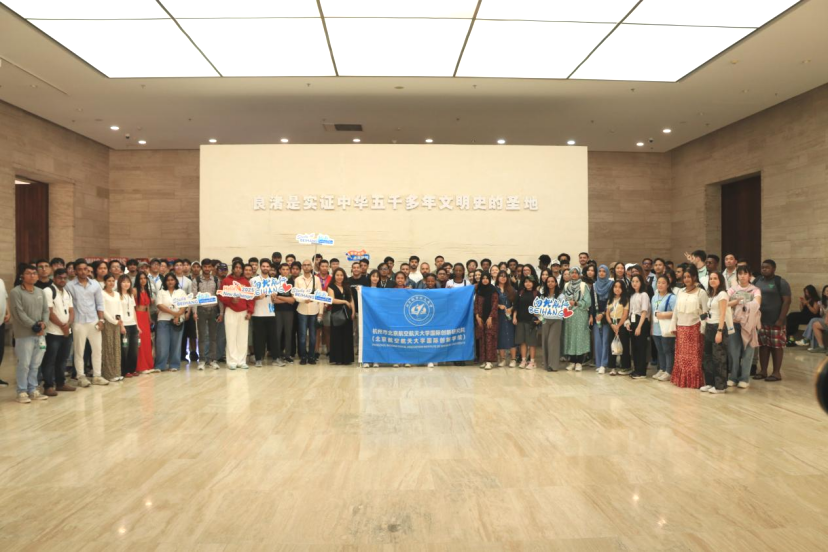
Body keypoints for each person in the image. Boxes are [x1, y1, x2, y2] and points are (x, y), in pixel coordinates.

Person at [9, 265, 51, 403]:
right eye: (29, 273)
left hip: (40, 334)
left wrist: (44, 323)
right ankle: (22, 391)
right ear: (22, 276)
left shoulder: (40, 291)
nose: (32, 275)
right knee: (24, 364)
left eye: (34, 273)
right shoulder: (16, 292)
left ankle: (33, 389)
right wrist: (33, 325)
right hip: (24, 334)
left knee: (35, 364)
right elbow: (18, 313)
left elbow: (46, 310)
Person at [66, 259, 108, 387]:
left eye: (85, 269)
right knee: (79, 351)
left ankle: (97, 376)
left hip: (93, 320)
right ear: (75, 271)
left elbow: (99, 303)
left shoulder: (95, 284)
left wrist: (101, 320)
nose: (83, 272)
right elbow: (68, 305)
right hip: (78, 322)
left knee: (97, 349)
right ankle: (81, 376)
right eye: (80, 269)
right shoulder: (69, 285)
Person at [40, 268, 77, 395]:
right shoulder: (48, 291)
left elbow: (71, 311)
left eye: (64, 278)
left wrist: (69, 324)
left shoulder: (67, 292)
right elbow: (49, 312)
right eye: (60, 278)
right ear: (54, 278)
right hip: (53, 332)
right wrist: (62, 326)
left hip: (66, 331)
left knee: (63, 359)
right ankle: (48, 386)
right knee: (50, 360)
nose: (62, 280)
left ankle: (60, 383)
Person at [670, 265, 707, 389]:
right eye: (684, 277)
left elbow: (705, 312)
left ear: (694, 277)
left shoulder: (701, 292)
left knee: (694, 357)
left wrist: (703, 328)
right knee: (681, 356)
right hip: (681, 328)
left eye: (689, 277)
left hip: (695, 328)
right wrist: (673, 325)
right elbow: (676, 310)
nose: (686, 279)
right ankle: (681, 380)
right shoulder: (680, 292)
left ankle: (694, 382)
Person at [753, 260, 791, 382]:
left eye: (767, 267)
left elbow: (787, 301)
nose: (764, 269)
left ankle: (776, 372)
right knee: (763, 346)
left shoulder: (780, 282)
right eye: (762, 267)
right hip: (761, 320)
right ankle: (763, 371)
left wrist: (781, 319)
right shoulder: (757, 281)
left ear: (774, 269)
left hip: (776, 320)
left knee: (776, 346)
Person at [219, 261, 254, 370]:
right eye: (236, 267)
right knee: (231, 336)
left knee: (243, 337)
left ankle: (241, 361)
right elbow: (220, 295)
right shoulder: (226, 281)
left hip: (243, 312)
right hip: (230, 311)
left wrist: (250, 312)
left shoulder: (245, 282)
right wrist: (230, 300)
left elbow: (250, 298)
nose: (238, 269)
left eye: (240, 267)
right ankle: (232, 361)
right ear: (233, 269)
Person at [701, 272, 732, 394]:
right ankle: (710, 382)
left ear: (720, 280)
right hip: (709, 325)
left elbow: (723, 314)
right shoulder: (711, 294)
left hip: (718, 326)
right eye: (711, 278)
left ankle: (720, 386)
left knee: (718, 357)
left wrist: (719, 331)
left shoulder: (722, 294)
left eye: (715, 278)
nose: (712, 280)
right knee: (708, 356)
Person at [154, 273, 188, 372]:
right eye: (168, 280)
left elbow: (184, 305)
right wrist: (174, 313)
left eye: (172, 280)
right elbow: (159, 305)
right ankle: (160, 365)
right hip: (163, 320)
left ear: (175, 281)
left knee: (176, 344)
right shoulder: (161, 292)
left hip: (177, 321)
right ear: (165, 282)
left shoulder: (181, 292)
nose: (170, 282)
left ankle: (174, 365)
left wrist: (177, 316)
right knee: (162, 344)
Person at [192, 258, 220, 369]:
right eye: (205, 267)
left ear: (212, 268)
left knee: (213, 336)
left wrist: (221, 312)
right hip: (201, 310)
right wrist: (194, 312)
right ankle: (202, 360)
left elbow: (219, 297)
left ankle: (212, 359)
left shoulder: (216, 280)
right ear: (202, 267)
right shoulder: (197, 280)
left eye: (209, 267)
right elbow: (194, 297)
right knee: (202, 336)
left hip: (213, 310)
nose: (207, 269)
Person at [251, 259, 278, 367]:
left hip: (270, 313)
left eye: (267, 266)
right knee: (258, 338)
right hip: (258, 313)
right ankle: (258, 359)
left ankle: (276, 358)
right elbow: (249, 296)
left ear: (270, 268)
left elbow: (274, 298)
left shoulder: (274, 281)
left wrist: (274, 297)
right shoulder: (253, 280)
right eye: (263, 266)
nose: (265, 268)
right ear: (260, 267)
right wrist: (258, 297)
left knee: (273, 337)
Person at [563, 267, 591, 371]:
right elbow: (563, 299)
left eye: (576, 273)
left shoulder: (583, 285)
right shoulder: (566, 285)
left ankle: (579, 362)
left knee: (580, 336)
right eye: (572, 273)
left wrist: (576, 303)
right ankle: (572, 361)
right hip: (569, 314)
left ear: (579, 274)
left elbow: (588, 302)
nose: (574, 274)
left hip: (580, 313)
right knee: (570, 336)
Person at [295, 259, 322, 365]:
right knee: (302, 335)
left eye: (308, 265)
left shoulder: (316, 279)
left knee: (313, 336)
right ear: (302, 267)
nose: (306, 267)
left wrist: (320, 312)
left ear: (311, 267)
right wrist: (303, 300)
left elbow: (320, 296)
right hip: (302, 310)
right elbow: (295, 295)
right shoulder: (298, 279)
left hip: (314, 310)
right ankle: (303, 356)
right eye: (304, 265)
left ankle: (311, 356)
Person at [327, 267, 355, 365]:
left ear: (344, 276)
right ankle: (337, 358)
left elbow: (351, 299)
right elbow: (331, 300)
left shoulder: (347, 286)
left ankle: (347, 359)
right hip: (337, 314)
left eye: (341, 275)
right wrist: (344, 302)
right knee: (337, 336)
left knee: (347, 335)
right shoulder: (331, 286)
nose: (339, 277)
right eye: (337, 275)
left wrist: (353, 311)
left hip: (347, 314)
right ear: (334, 276)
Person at [651, 275, 676, 382]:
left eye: (663, 283)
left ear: (668, 285)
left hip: (666, 328)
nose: (660, 285)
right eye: (659, 282)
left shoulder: (672, 297)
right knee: (660, 350)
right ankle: (662, 369)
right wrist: (652, 327)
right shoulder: (654, 297)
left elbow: (676, 312)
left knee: (667, 350)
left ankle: (669, 371)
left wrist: (663, 315)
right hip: (656, 328)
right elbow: (652, 312)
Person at [101, 273, 124, 382]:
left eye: (113, 281)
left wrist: (119, 320)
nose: (111, 283)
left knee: (116, 347)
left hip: (117, 323)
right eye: (109, 281)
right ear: (105, 282)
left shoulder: (117, 294)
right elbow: (103, 310)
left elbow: (120, 308)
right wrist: (113, 321)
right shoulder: (102, 294)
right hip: (108, 323)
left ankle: (117, 372)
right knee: (108, 347)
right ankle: (109, 374)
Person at [626, 274, 650, 380]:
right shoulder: (632, 295)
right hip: (633, 320)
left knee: (641, 347)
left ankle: (642, 372)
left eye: (637, 281)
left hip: (641, 321)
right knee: (634, 347)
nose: (634, 283)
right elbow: (630, 311)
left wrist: (639, 326)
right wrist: (628, 322)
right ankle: (636, 369)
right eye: (633, 281)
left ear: (641, 282)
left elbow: (644, 311)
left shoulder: (644, 295)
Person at [474, 272, 499, 370]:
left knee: (489, 339)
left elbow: (495, 305)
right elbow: (476, 304)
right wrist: (477, 316)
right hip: (480, 318)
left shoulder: (493, 290)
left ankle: (489, 361)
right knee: (482, 339)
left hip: (491, 319)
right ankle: (484, 360)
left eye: (487, 278)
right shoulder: (479, 290)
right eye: (483, 278)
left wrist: (490, 317)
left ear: (489, 279)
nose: (485, 280)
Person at [591, 265, 613, 374]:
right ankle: (598, 363)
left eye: (604, 271)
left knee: (605, 341)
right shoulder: (594, 285)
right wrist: (592, 315)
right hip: (596, 316)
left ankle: (604, 364)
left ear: (607, 273)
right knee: (598, 341)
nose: (601, 273)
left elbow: (612, 300)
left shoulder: (611, 285)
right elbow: (591, 301)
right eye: (599, 271)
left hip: (607, 315)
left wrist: (604, 313)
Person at [513, 276, 539, 369]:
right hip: (520, 320)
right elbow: (516, 306)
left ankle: (532, 361)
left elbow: (541, 308)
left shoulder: (536, 293)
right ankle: (523, 360)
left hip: (531, 321)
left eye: (530, 282)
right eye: (526, 281)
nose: (528, 283)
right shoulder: (520, 293)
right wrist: (514, 317)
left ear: (533, 283)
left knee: (531, 342)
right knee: (522, 341)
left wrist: (539, 319)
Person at [539, 275, 563, 372]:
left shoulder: (560, 296)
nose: (550, 283)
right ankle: (546, 364)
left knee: (552, 342)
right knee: (545, 342)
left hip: (556, 321)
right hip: (545, 320)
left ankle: (553, 365)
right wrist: (541, 319)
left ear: (556, 283)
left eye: (552, 281)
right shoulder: (543, 296)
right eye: (548, 281)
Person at [118, 274, 140, 378]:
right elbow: (117, 312)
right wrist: (121, 325)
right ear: (119, 283)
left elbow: (133, 311)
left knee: (134, 349)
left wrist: (137, 325)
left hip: (133, 324)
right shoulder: (117, 295)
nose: (126, 284)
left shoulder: (130, 295)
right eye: (124, 282)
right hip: (124, 325)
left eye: (128, 282)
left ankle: (132, 369)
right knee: (124, 349)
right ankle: (125, 370)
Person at [606, 280, 631, 376]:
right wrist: (611, 324)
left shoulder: (625, 300)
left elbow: (625, 314)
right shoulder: (610, 300)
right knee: (612, 345)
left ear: (623, 289)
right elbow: (607, 314)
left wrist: (618, 326)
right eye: (615, 287)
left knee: (623, 345)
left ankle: (625, 367)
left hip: (622, 324)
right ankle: (612, 367)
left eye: (620, 287)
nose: (617, 289)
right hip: (612, 324)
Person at [134, 272, 154, 373]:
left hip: (145, 317)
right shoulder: (134, 290)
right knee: (140, 341)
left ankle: (148, 365)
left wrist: (149, 318)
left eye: (144, 278)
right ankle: (141, 367)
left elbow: (148, 306)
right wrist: (135, 320)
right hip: (138, 316)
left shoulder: (146, 290)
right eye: (141, 278)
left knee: (146, 341)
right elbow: (132, 306)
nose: (143, 280)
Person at [495, 271, 516, 367]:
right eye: (501, 276)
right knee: (501, 337)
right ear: (497, 278)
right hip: (499, 316)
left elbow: (516, 303)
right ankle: (502, 359)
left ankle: (513, 359)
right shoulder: (495, 289)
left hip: (510, 317)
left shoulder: (512, 289)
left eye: (505, 276)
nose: (503, 278)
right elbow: (491, 303)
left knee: (511, 336)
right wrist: (498, 306)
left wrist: (511, 308)